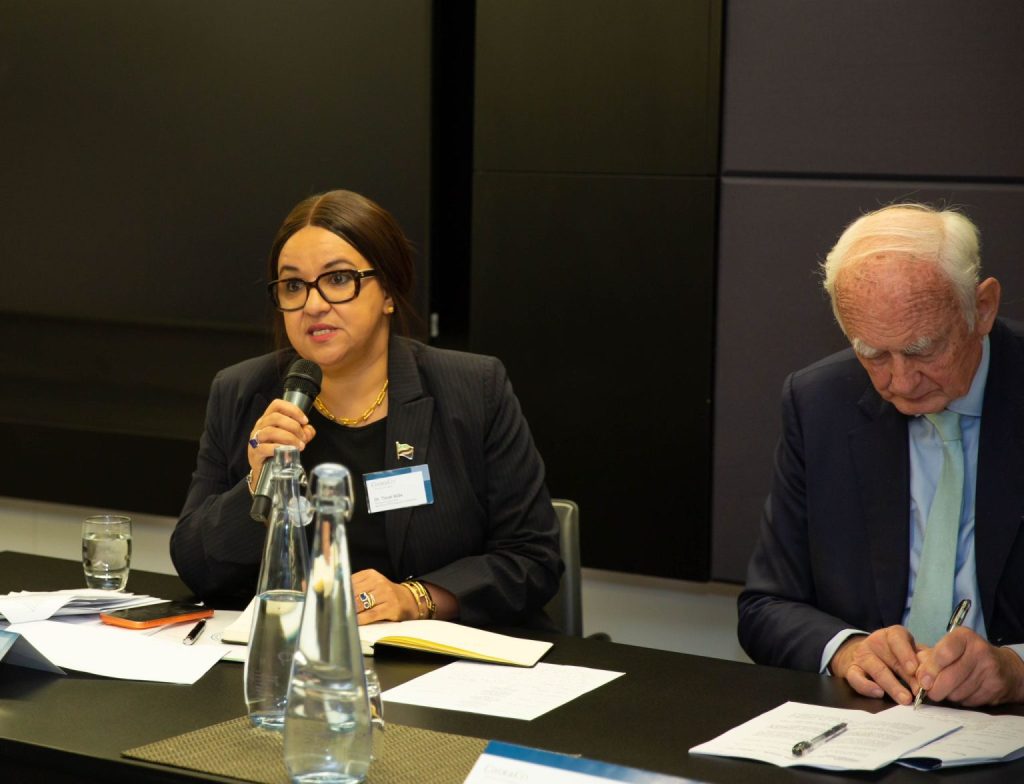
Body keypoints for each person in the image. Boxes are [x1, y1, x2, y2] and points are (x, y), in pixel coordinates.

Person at [171, 189, 562, 628]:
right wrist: (255, 482)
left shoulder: (473, 389)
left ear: (388, 291)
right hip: (293, 650)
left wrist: (415, 597)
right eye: (294, 286)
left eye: (338, 279)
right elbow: (195, 567)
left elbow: (533, 559)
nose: (313, 305)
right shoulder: (243, 392)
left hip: (439, 657)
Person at [738, 203, 1024, 706]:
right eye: (872, 354)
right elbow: (766, 605)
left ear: (982, 308)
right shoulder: (819, 401)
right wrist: (848, 650)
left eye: (922, 350)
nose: (901, 382)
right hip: (875, 719)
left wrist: (1018, 670)